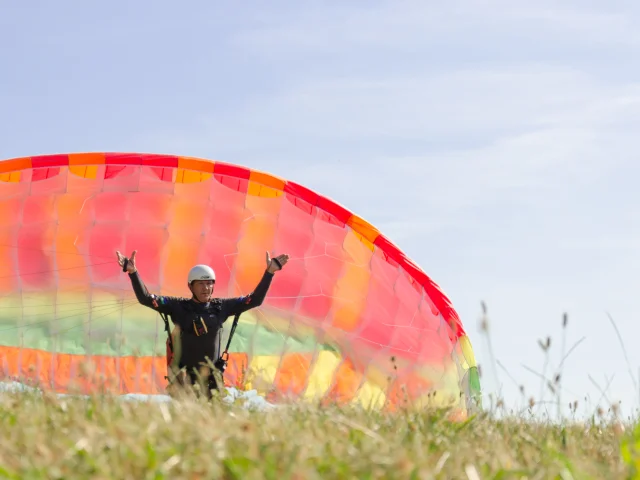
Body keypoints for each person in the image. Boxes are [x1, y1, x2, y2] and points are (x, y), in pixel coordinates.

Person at [115, 249, 289, 398]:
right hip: (183, 382)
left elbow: (254, 300)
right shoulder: (178, 307)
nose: (206, 288)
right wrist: (133, 273)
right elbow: (146, 299)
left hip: (212, 382)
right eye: (201, 284)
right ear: (191, 286)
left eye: (209, 284)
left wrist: (270, 272)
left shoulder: (221, 307)